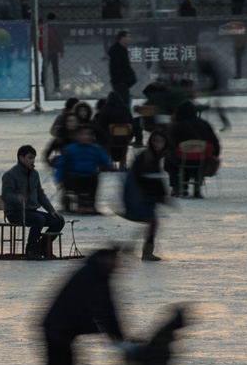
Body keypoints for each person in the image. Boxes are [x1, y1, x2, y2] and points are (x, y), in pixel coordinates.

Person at [2, 145, 65, 259]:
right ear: (21, 158)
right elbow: (5, 195)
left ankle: (42, 247)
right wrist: (18, 198)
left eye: (34, 158)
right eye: (30, 158)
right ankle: (30, 250)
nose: (32, 161)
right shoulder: (10, 175)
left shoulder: (34, 174)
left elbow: (41, 195)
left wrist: (52, 211)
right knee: (38, 219)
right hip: (15, 213)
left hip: (31, 211)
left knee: (59, 220)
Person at [124, 130, 172, 260]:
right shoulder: (146, 157)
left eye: (160, 141)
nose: (157, 144)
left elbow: (157, 179)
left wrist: (163, 197)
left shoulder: (156, 157)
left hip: (147, 198)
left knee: (151, 223)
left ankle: (132, 248)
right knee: (152, 222)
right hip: (139, 198)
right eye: (154, 140)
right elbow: (139, 179)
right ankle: (146, 252)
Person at [53, 127, 113, 214]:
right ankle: (81, 203)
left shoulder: (96, 149)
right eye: (83, 134)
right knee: (77, 178)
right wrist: (59, 179)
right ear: (78, 136)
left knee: (94, 178)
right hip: (74, 176)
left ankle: (91, 204)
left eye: (88, 135)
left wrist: (108, 165)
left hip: (90, 175)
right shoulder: (70, 149)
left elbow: (105, 160)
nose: (85, 137)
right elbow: (61, 164)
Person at [107, 31, 136, 107]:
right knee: (122, 102)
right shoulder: (116, 51)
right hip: (120, 82)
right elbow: (118, 68)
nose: (129, 39)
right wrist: (123, 81)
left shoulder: (123, 50)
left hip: (124, 83)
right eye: (127, 37)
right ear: (122, 38)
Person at [41, 13, 64, 93]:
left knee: (45, 68)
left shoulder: (44, 27)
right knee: (55, 69)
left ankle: (43, 84)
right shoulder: (55, 27)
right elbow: (59, 39)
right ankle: (56, 86)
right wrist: (61, 50)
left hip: (47, 51)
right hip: (53, 51)